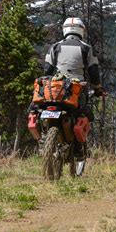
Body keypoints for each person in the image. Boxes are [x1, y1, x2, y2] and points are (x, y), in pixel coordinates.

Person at [43, 17, 105, 158]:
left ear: (65, 30)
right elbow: (94, 72)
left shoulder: (55, 47)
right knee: (84, 115)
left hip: (56, 89)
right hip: (76, 90)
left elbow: (47, 70)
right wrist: (98, 88)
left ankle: (44, 140)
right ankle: (79, 150)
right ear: (81, 30)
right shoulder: (86, 48)